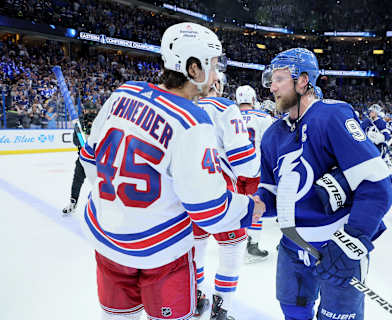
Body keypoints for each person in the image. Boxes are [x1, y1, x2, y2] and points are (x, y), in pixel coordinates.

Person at [78, 22, 265, 320]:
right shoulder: (192, 121)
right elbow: (210, 210)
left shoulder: (122, 92)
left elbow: (89, 158)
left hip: (106, 241)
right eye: (213, 66)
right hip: (161, 252)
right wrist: (248, 208)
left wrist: (117, 210)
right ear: (193, 68)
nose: (216, 76)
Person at [255, 48, 392, 320]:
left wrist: (351, 242)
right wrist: (250, 206)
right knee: (293, 313)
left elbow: (377, 186)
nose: (271, 87)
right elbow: (270, 195)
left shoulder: (332, 116)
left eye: (279, 79)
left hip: (338, 247)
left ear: (303, 80)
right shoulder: (273, 135)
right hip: (292, 248)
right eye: (270, 80)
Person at [194, 75, 260, 319]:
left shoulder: (178, 107)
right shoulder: (224, 107)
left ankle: (196, 296)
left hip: (187, 200)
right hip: (222, 197)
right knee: (231, 255)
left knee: (195, 254)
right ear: (218, 85)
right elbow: (246, 164)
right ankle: (221, 309)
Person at [235, 84, 274, 263]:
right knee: (256, 205)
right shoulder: (263, 117)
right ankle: (252, 244)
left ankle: (235, 241)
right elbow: (269, 146)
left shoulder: (229, 115)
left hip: (233, 170)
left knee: (237, 206)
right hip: (255, 169)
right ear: (253, 99)